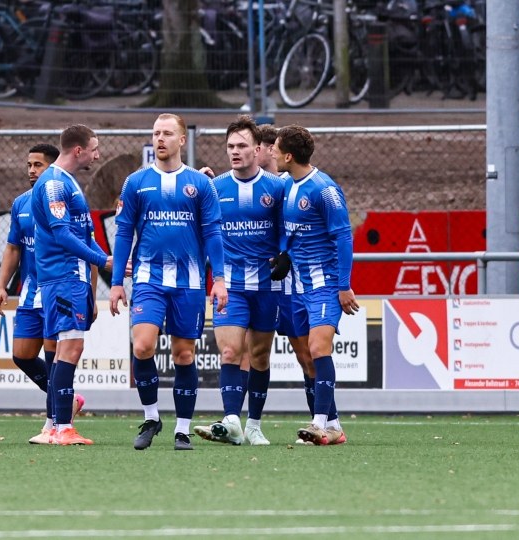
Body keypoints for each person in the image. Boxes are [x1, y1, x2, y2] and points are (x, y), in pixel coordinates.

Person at [109, 113, 228, 451]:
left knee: (184, 354)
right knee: (143, 345)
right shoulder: (136, 182)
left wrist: (218, 279)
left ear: (182, 140)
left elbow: (212, 233)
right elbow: (123, 234)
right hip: (148, 278)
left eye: (167, 133)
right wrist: (117, 282)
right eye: (155, 133)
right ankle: (151, 416)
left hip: (189, 282)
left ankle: (183, 429)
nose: (160, 139)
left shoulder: (200, 184)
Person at [191, 115, 285, 446]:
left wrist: (285, 254)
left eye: (242, 145)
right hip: (229, 284)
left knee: (259, 357)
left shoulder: (277, 187)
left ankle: (254, 425)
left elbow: (292, 228)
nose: (235, 151)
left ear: (257, 149)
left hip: (267, 286)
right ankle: (231, 420)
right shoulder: (214, 189)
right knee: (230, 351)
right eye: (230, 146)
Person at [272, 125, 359, 446]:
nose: (271, 153)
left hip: (324, 285)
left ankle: (319, 423)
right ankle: (333, 425)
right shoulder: (285, 184)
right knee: (307, 359)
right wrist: (282, 252)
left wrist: (344, 285)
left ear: (289, 156)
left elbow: (343, 237)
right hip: (296, 285)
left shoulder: (324, 190)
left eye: (275, 149)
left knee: (319, 349)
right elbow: (286, 229)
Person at [0, 143, 85, 444]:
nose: (32, 171)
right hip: (29, 292)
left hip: (56, 288)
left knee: (53, 353)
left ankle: (53, 422)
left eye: (38, 165)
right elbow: (12, 247)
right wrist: (2, 285)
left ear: (52, 168)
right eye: (29, 165)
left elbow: (85, 246)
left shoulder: (64, 199)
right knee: (22, 355)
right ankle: (66, 402)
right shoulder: (21, 203)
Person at [31, 125, 113, 446]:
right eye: (94, 148)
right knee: (70, 349)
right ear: (78, 150)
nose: (98, 154)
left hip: (68, 278)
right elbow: (64, 235)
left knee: (63, 349)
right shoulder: (54, 184)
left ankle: (53, 426)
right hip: (65, 276)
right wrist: (103, 260)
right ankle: (63, 427)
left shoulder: (65, 182)